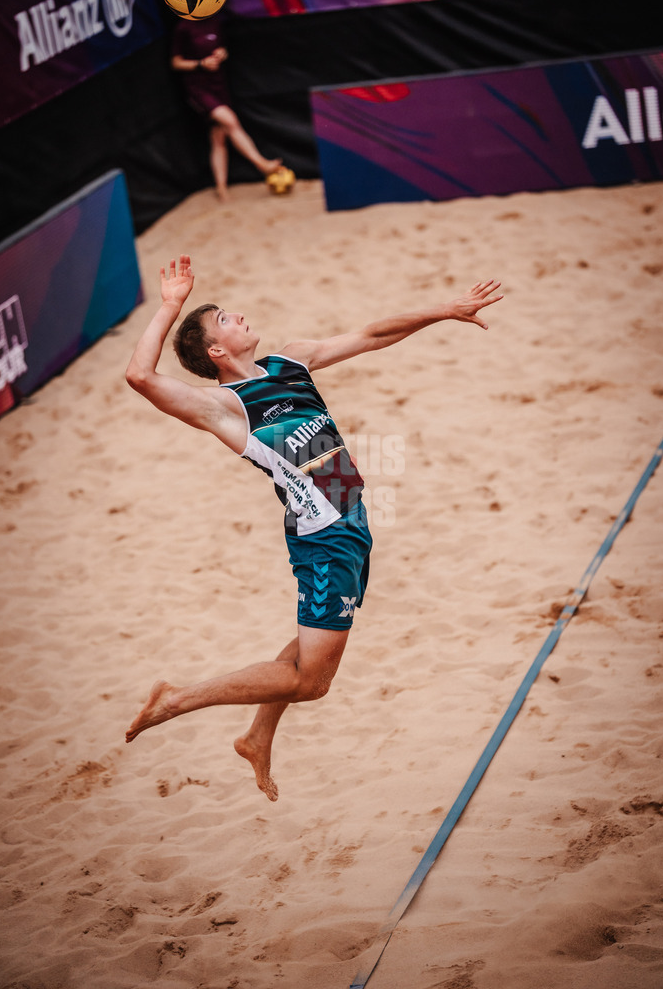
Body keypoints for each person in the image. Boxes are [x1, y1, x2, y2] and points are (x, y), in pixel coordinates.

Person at [124, 254, 503, 801]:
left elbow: (371, 335)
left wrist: (446, 310)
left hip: (350, 521)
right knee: (312, 682)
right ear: (216, 352)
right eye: (226, 319)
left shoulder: (288, 362)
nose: (239, 316)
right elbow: (140, 375)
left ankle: (258, 735)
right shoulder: (222, 407)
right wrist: (170, 306)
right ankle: (176, 699)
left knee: (308, 645)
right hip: (325, 535)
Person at [170, 15, 283, 200]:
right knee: (230, 121)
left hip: (219, 85)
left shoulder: (215, 22)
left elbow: (222, 48)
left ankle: (221, 188)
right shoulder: (184, 27)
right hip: (198, 88)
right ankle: (261, 164)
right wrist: (200, 64)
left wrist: (222, 53)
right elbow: (175, 62)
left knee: (218, 137)